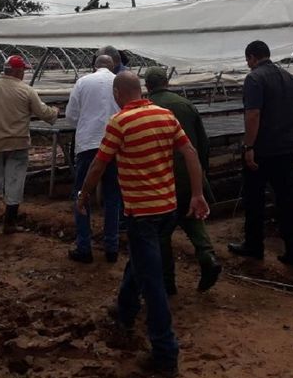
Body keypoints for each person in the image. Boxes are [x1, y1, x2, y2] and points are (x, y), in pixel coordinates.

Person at [77, 71, 209, 377]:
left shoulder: (119, 123)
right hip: (168, 209)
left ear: (118, 94)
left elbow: (99, 163)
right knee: (141, 262)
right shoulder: (165, 115)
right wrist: (198, 194)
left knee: (153, 283)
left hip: (142, 214)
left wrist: (83, 195)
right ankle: (125, 309)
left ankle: (165, 353)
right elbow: (189, 152)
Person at [229, 40, 293, 269]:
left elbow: (253, 114)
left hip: (263, 151)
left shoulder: (254, 78)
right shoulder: (290, 79)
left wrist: (249, 147)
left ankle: (254, 247)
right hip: (284, 148)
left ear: (252, 57)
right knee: (288, 202)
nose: (248, 64)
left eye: (248, 60)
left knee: (254, 201)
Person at [144, 67, 221, 294]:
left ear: (147, 86)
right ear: (167, 82)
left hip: (162, 176)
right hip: (189, 173)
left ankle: (168, 282)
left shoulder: (146, 109)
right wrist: (201, 172)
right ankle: (208, 257)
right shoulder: (186, 105)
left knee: (162, 232)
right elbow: (203, 144)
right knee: (193, 216)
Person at [0, 55, 58, 234]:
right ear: (16, 71)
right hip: (18, 144)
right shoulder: (26, 90)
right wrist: (55, 111)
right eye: (23, 70)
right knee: (14, 182)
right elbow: (44, 113)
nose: (24, 73)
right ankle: (9, 224)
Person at [66, 55, 121, 263]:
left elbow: (71, 116)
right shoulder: (120, 82)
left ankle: (84, 247)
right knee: (113, 197)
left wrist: (87, 120)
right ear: (113, 66)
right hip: (115, 145)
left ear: (94, 66)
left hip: (88, 145)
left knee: (82, 194)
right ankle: (111, 248)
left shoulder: (82, 82)